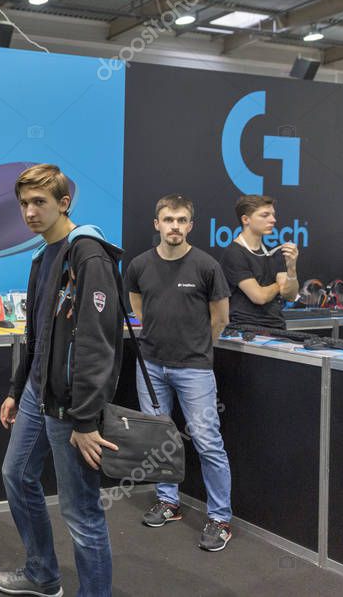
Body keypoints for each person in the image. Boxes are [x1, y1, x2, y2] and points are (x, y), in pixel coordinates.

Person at [0, 164, 122, 597]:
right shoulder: (42, 256)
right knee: (16, 475)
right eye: (24, 203)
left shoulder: (88, 253)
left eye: (39, 202)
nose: (30, 212)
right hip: (36, 392)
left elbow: (98, 343)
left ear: (64, 203)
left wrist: (85, 420)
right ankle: (42, 574)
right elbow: (37, 334)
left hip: (71, 404)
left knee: (81, 512)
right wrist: (17, 390)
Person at [124, 194, 233, 551]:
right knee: (158, 439)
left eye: (181, 220)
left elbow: (220, 318)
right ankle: (168, 501)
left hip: (194, 369)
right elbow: (138, 308)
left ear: (190, 225)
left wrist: (197, 349)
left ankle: (220, 519)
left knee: (207, 441)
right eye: (168, 219)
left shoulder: (206, 266)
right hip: (151, 366)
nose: (175, 226)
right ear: (157, 224)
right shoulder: (139, 265)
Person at [219, 195, 299, 329]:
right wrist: (279, 285)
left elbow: (290, 296)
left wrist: (292, 268)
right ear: (246, 219)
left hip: (277, 328)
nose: (273, 220)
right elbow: (259, 297)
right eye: (265, 215)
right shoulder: (234, 253)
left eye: (273, 215)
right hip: (246, 329)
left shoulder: (274, 253)